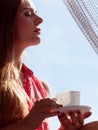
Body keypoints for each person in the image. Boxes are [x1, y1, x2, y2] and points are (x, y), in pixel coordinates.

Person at [0, 0, 90, 130]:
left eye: (36, 13)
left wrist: (65, 128)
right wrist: (27, 124)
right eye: (28, 14)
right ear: (6, 22)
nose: (40, 19)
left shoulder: (42, 87)